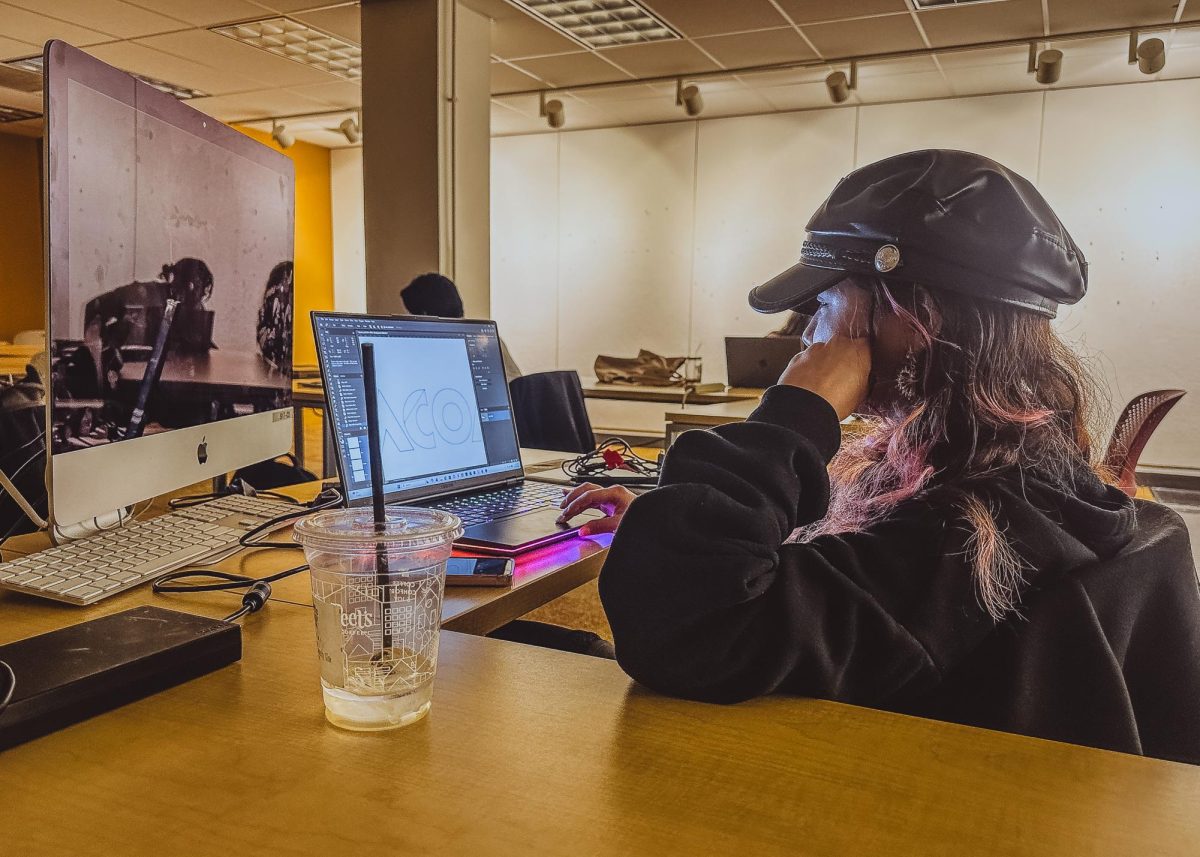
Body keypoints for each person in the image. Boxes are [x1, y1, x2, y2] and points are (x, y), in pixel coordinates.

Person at [560, 150, 1200, 764]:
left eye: (827, 301)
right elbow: (852, 583)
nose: (809, 329)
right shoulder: (1023, 477)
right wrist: (686, 526)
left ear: (912, 317)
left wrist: (798, 409)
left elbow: (680, 623)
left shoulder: (966, 531)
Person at [401, 272, 522, 383]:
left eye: (412, 315)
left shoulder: (438, 347)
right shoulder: (488, 338)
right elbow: (520, 388)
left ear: (424, 314)